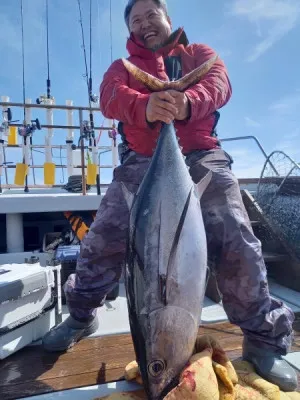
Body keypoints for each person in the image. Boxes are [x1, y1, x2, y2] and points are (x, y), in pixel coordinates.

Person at [42, 0, 298, 392]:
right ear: (130, 29)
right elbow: (110, 97)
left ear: (167, 18)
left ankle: (263, 341)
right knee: (104, 237)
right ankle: (81, 314)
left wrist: (186, 102)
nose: (145, 24)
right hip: (141, 161)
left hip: (201, 156)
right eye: (136, 20)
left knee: (235, 235)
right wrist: (145, 105)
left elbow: (219, 85)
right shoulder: (121, 68)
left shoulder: (199, 55)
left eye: (151, 15)